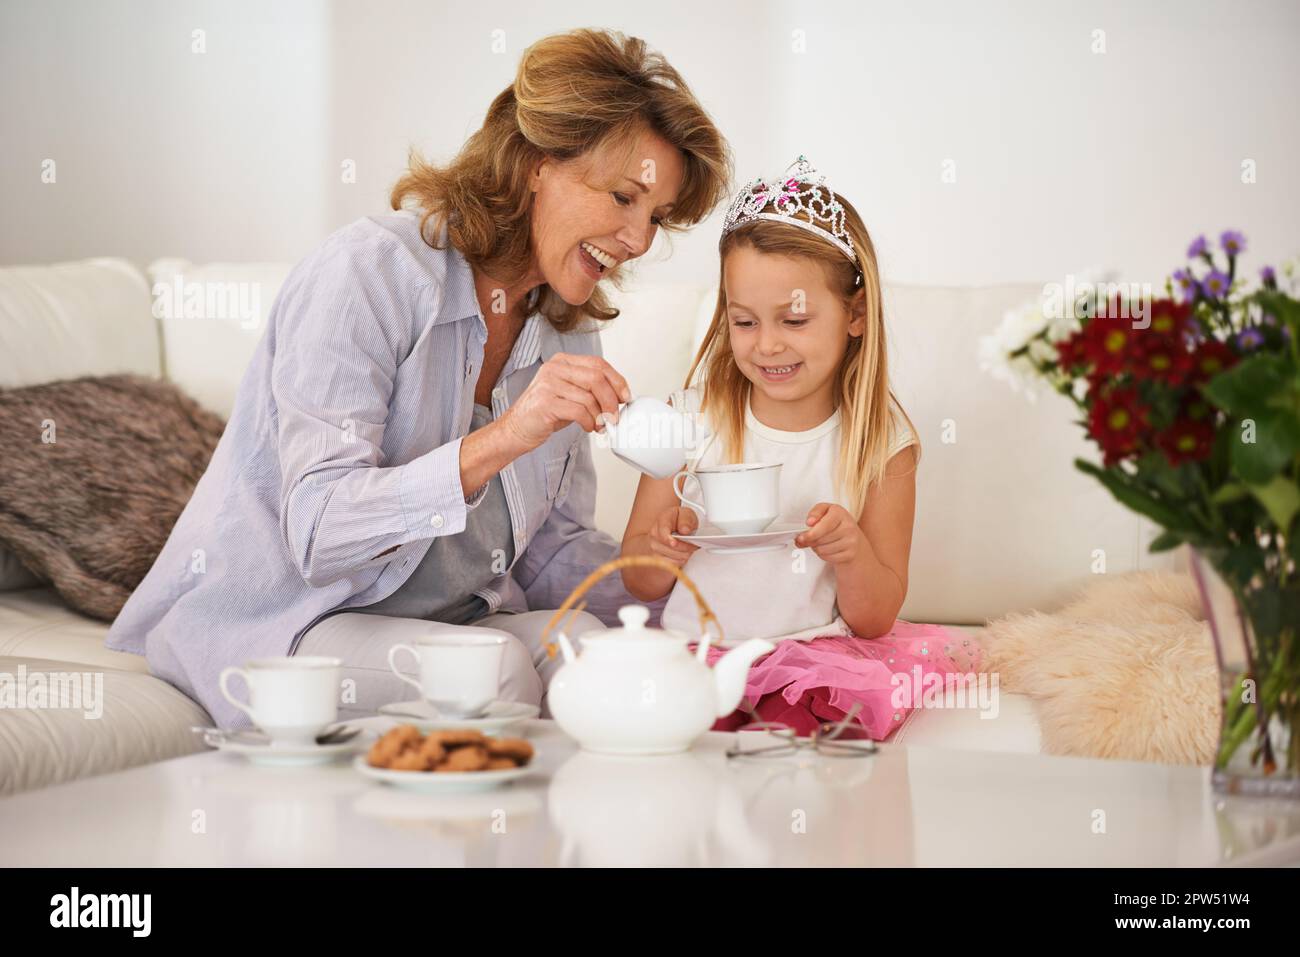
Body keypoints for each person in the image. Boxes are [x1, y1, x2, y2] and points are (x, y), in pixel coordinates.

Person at [106, 29, 731, 728]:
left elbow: (553, 552)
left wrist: (678, 589)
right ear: (535, 163)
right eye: (622, 197)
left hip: (451, 623)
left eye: (656, 217)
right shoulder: (368, 274)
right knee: (494, 673)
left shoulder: (566, 323)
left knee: (594, 654)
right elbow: (319, 530)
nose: (640, 240)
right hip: (295, 621)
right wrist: (503, 437)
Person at [618, 157, 979, 738]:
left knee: (798, 742)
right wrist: (663, 547)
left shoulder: (881, 443)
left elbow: (875, 617)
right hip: (692, 653)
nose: (766, 345)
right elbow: (638, 580)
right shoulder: (687, 420)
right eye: (744, 322)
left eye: (794, 319)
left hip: (807, 661)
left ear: (855, 315)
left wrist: (851, 551)